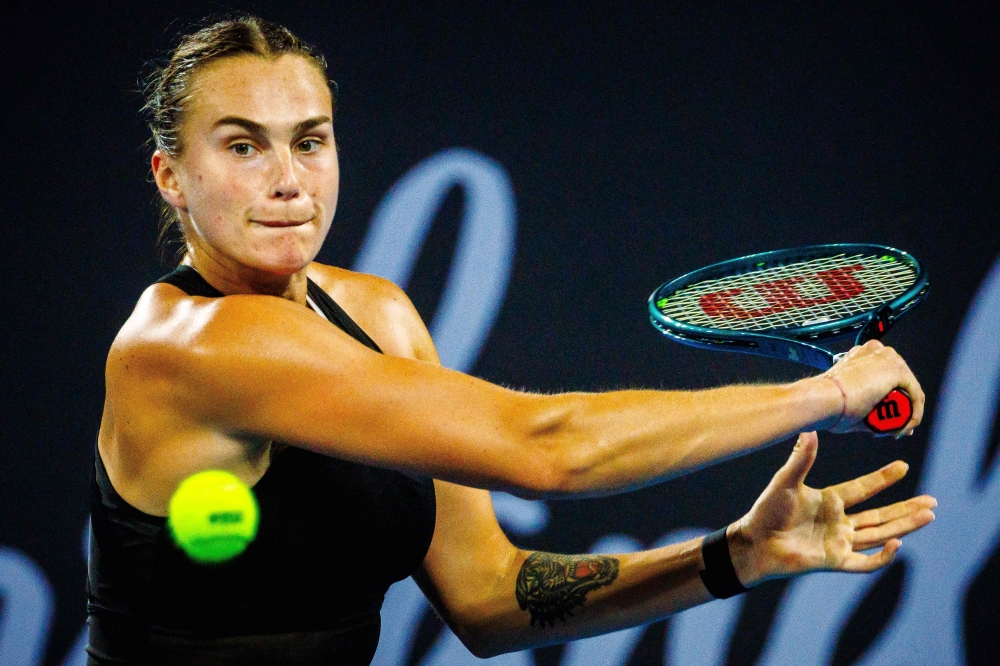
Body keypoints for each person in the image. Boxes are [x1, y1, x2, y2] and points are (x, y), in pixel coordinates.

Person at [86, 15, 937, 666]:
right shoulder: (187, 347)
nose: (287, 182)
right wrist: (823, 396)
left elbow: (493, 595)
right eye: (243, 146)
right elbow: (548, 449)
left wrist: (732, 557)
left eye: (311, 142)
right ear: (171, 176)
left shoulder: (375, 313)